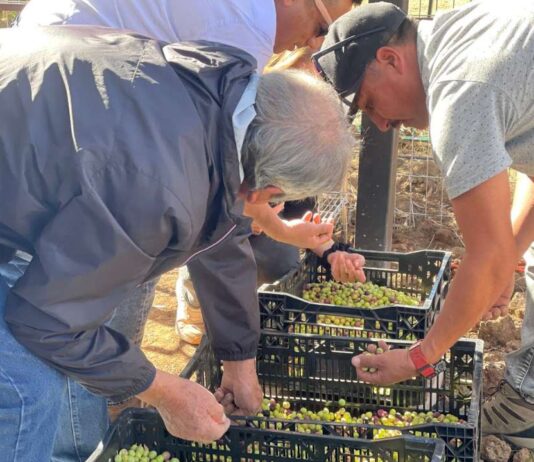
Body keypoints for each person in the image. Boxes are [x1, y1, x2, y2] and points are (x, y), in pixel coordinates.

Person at [0, 25, 355, 461]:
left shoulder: (220, 92)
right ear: (267, 191)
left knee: (83, 309)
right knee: (26, 387)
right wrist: (162, 390)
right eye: (277, 203)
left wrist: (238, 359)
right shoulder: (156, 189)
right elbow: (45, 322)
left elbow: (218, 224)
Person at [16, 0, 360, 346]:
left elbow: (240, 177)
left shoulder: (242, 34)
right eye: (320, 27)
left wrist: (282, 229)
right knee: (139, 241)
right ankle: (111, 382)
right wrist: (227, 360)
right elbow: (229, 192)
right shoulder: (243, 31)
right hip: (62, 90)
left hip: (55, 61)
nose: (316, 43)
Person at [313, 0, 534, 448]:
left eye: (370, 102)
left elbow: (486, 258)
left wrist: (419, 357)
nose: (382, 123)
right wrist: (508, 255)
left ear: (390, 59)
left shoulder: (459, 93)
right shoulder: (458, 32)